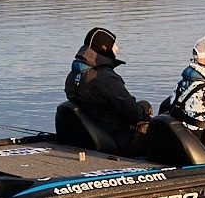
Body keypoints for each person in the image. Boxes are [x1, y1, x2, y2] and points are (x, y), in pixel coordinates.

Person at [64, 26, 151, 155]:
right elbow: (132, 112)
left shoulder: (73, 75)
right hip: (117, 139)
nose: (117, 48)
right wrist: (149, 117)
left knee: (142, 105)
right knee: (150, 112)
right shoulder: (105, 77)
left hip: (94, 132)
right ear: (104, 48)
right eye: (113, 44)